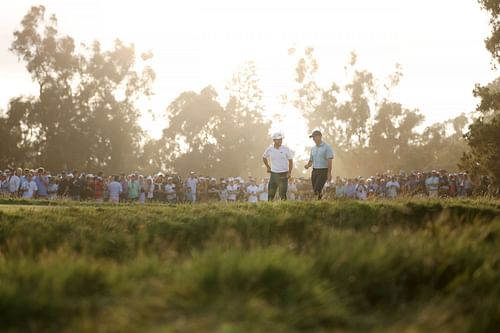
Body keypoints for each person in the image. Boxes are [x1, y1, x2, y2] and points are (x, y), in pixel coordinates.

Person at [262, 132, 294, 201]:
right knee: (271, 194)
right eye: (278, 139)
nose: (280, 141)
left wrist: (289, 172)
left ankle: (284, 209)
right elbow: (264, 157)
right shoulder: (269, 149)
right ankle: (268, 209)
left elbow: (290, 161)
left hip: (284, 174)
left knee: (282, 194)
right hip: (274, 174)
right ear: (274, 140)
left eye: (281, 139)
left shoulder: (286, 149)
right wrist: (268, 167)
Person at [304, 130, 334, 200]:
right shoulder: (313, 149)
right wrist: (307, 165)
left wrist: (329, 173)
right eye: (313, 138)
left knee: (317, 189)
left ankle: (317, 202)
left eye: (314, 137)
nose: (313, 139)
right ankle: (320, 201)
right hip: (314, 171)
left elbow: (329, 161)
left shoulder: (327, 147)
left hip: (323, 171)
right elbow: (311, 160)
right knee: (316, 189)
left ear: (320, 137)